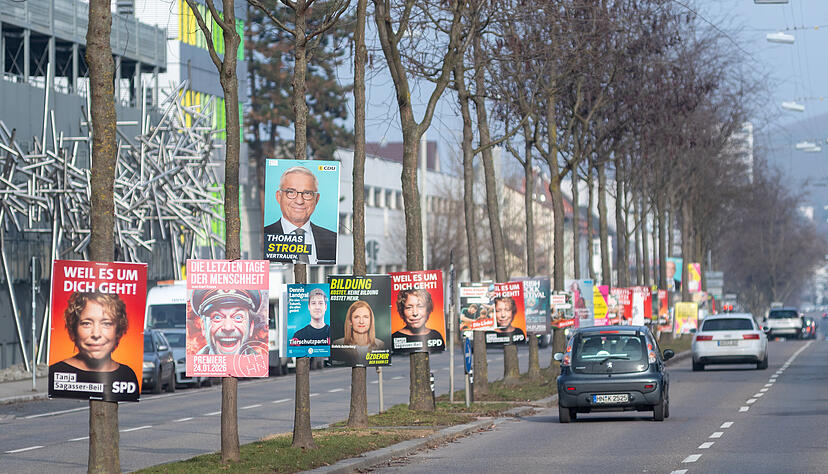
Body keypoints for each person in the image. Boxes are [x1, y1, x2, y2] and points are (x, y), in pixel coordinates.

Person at [49, 292, 139, 402]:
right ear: (74, 329)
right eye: (86, 323)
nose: (96, 334)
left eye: (106, 324)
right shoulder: (56, 373)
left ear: (118, 330)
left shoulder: (127, 376)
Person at [264, 166, 336, 264]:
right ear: (279, 197)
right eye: (291, 192)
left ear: (316, 199)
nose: (299, 201)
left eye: (307, 193)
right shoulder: (263, 236)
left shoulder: (332, 240)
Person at [192, 288, 263, 355]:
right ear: (203, 327)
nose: (228, 327)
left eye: (238, 317)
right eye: (217, 317)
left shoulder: (259, 365)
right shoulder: (194, 366)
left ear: (251, 327)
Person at [332, 301, 386, 365]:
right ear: (350, 321)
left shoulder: (380, 345)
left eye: (365, 317)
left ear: (371, 320)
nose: (361, 321)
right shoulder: (338, 344)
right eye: (356, 317)